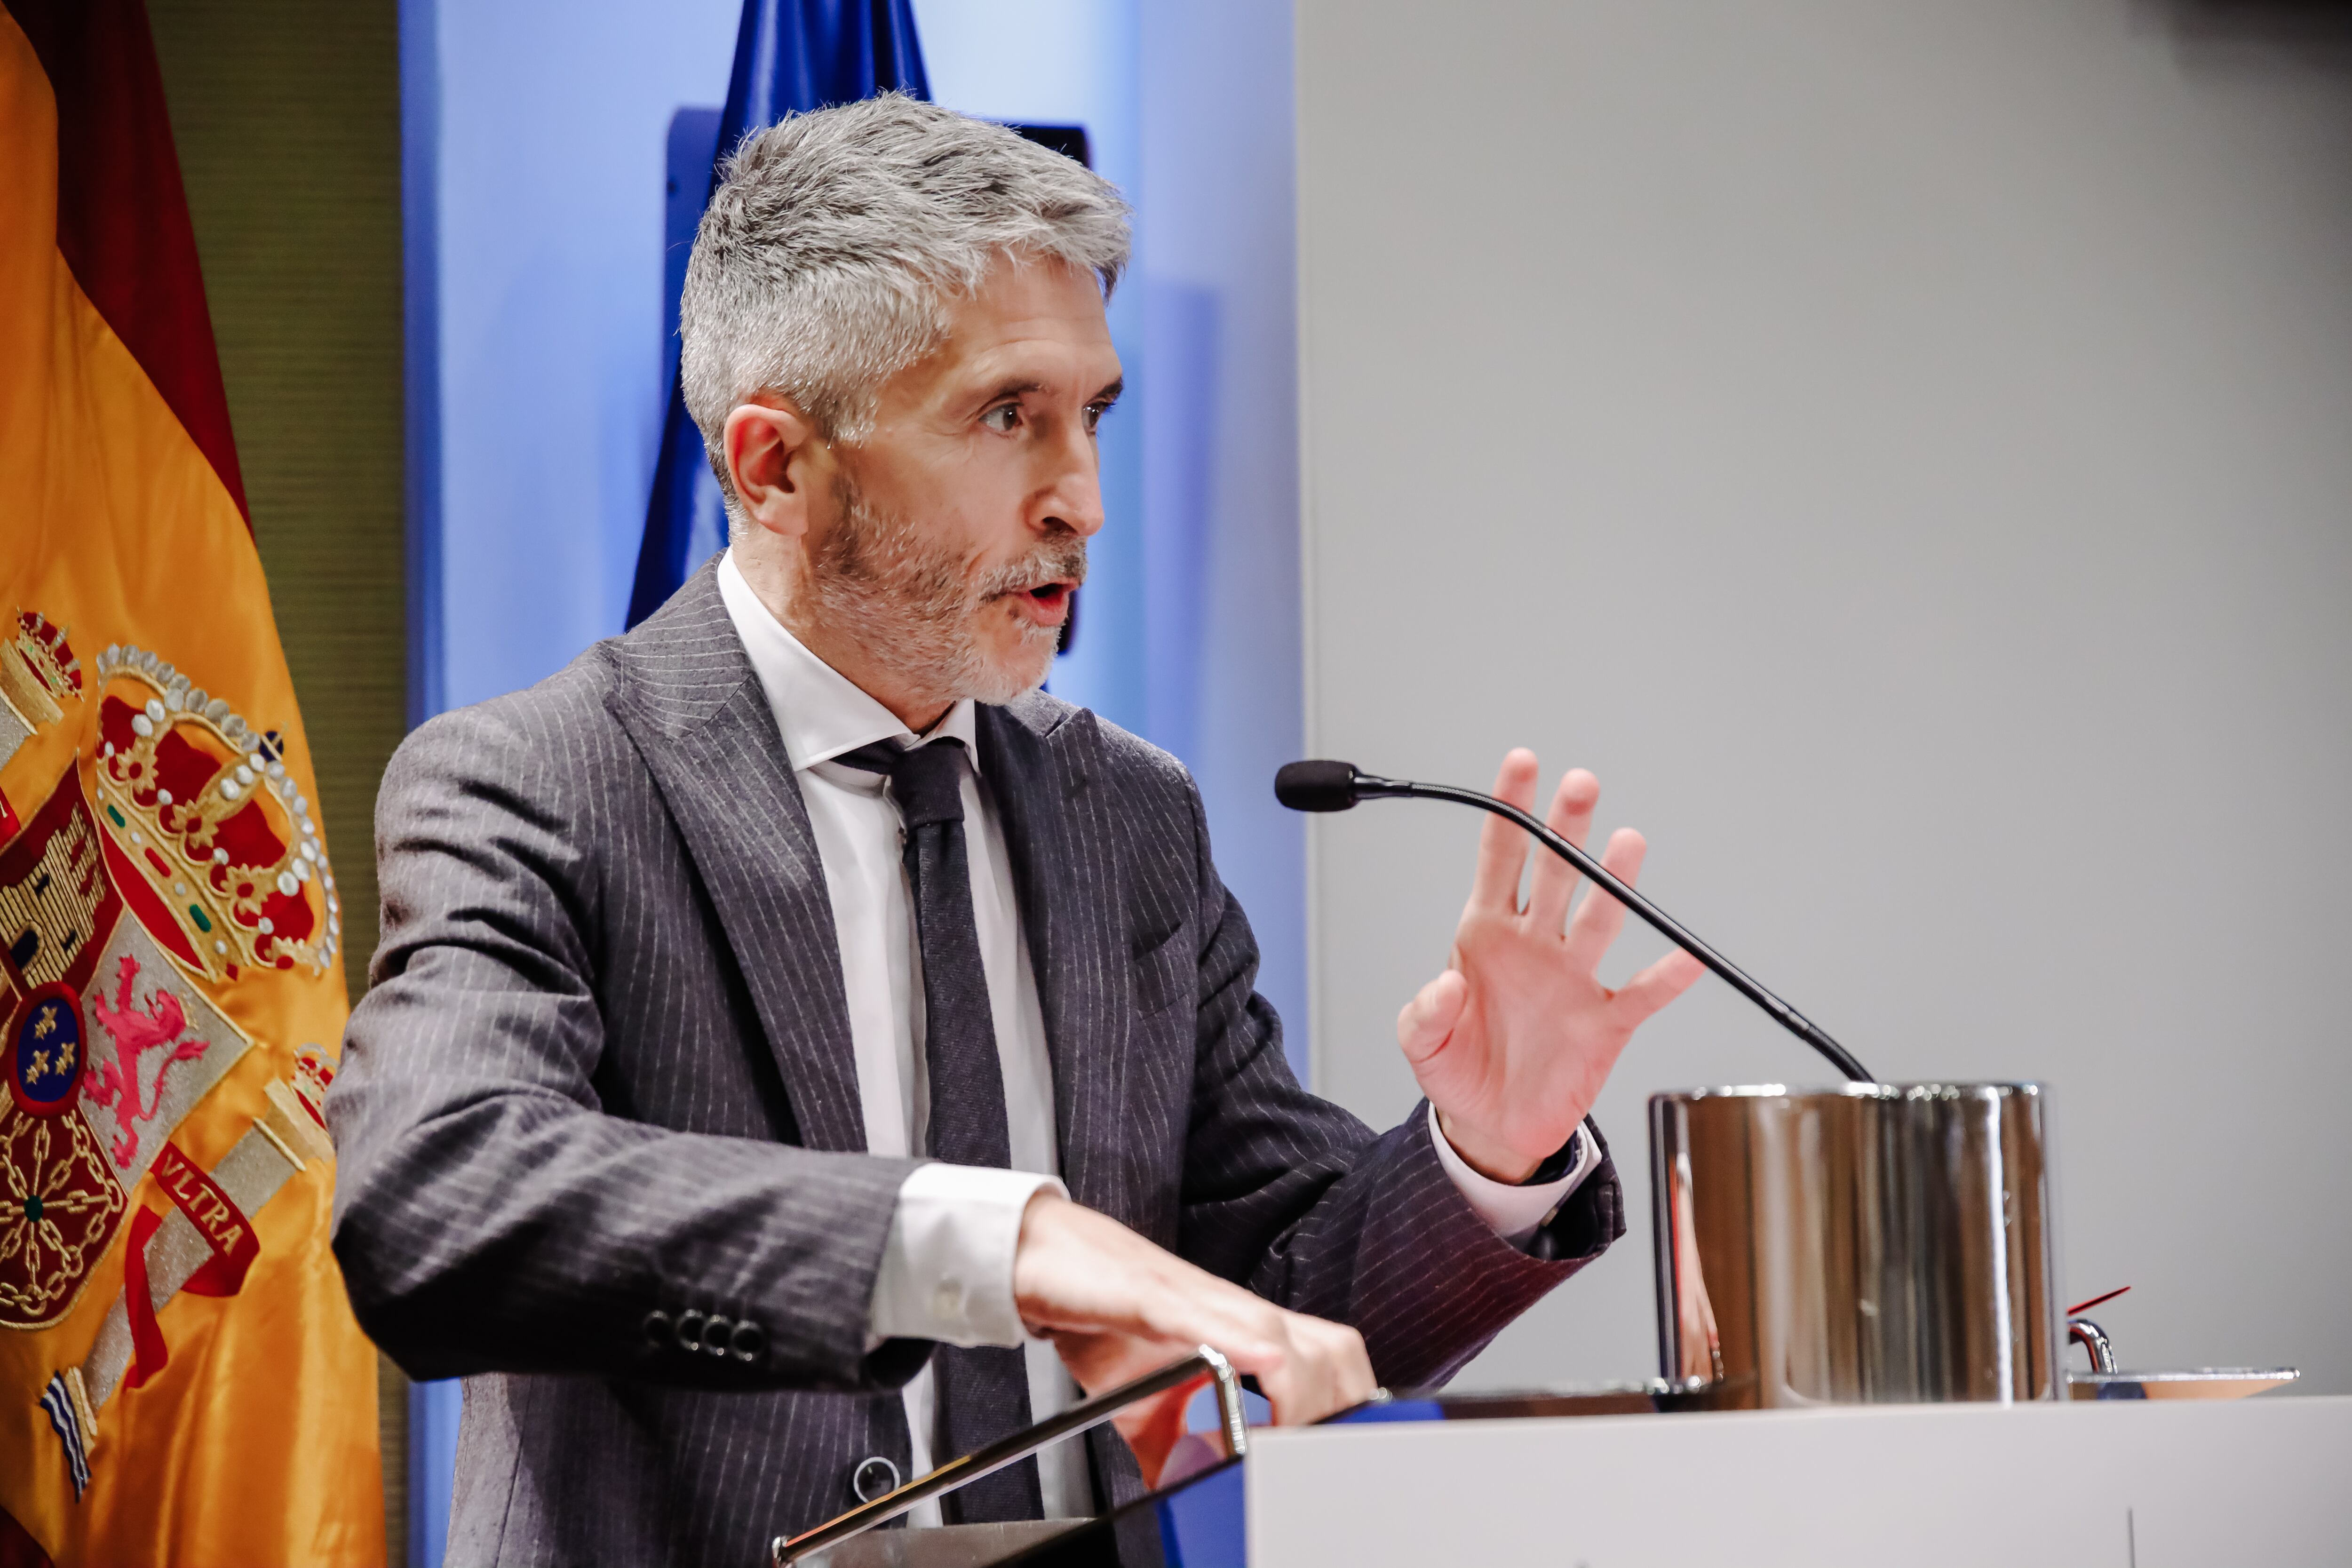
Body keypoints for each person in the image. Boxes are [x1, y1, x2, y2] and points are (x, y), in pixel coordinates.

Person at [326, 94, 1703, 1567]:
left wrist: (1487, 1153)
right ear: (776, 465)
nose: (1084, 502)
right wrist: (999, 1241)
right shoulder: (537, 777)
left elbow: (1284, 1314)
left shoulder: (1132, 814)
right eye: (1008, 416)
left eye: (1094, 415)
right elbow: (439, 1203)